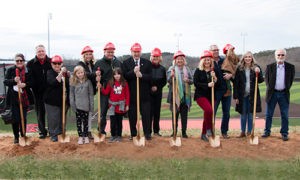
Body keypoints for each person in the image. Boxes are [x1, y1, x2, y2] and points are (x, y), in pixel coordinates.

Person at [262, 49, 295, 141]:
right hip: (272, 94)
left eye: (282, 55)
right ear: (275, 56)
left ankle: (284, 133)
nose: (280, 57)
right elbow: (267, 81)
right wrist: (271, 89)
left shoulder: (290, 67)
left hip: (284, 93)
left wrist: (285, 88)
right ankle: (267, 131)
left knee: (284, 114)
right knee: (269, 114)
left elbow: (290, 80)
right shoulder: (270, 67)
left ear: (285, 56)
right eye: (279, 55)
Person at [121, 43, 152, 140]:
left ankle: (147, 134)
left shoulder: (147, 63)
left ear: (140, 52)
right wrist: (133, 72)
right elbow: (124, 76)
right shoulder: (126, 63)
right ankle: (133, 134)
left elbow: (150, 77)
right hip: (132, 94)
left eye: (138, 52)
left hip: (145, 95)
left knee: (146, 115)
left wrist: (141, 75)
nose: (136, 54)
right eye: (134, 52)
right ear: (131, 52)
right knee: (132, 116)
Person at [4, 53, 34, 144]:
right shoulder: (10, 70)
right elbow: (5, 81)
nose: (19, 62)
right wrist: (14, 80)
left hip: (24, 98)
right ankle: (16, 137)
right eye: (17, 61)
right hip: (14, 98)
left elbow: (32, 82)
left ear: (24, 61)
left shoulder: (28, 70)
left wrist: (25, 84)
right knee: (15, 119)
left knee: (23, 118)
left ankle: (23, 135)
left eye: (21, 60)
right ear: (15, 62)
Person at [233, 51, 264, 137]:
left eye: (249, 57)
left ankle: (249, 131)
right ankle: (243, 132)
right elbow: (236, 83)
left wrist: (259, 72)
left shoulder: (256, 67)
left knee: (250, 114)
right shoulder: (239, 68)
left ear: (252, 58)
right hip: (242, 95)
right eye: (246, 57)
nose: (248, 58)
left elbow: (261, 80)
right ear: (243, 58)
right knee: (243, 114)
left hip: (252, 95)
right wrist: (235, 96)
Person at [94, 42, 122, 137]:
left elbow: (122, 75)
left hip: (116, 90)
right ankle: (101, 131)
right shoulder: (99, 63)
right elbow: (96, 77)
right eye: (108, 52)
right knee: (103, 111)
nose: (110, 53)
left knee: (116, 111)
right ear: (104, 51)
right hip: (105, 90)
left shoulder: (117, 62)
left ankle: (116, 132)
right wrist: (97, 80)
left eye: (112, 52)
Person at [193, 50, 220, 142]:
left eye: (208, 60)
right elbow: (196, 83)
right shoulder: (198, 71)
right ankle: (209, 129)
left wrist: (215, 78)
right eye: (205, 60)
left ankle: (203, 134)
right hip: (200, 95)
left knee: (207, 113)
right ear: (202, 61)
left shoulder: (213, 71)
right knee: (209, 110)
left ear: (211, 61)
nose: (207, 62)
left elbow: (217, 83)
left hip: (210, 96)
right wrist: (207, 85)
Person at [27, 44, 52, 139]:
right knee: (40, 113)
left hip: (49, 91)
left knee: (50, 112)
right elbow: (30, 78)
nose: (41, 53)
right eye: (39, 51)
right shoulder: (30, 63)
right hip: (37, 92)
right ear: (36, 53)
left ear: (45, 52)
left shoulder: (51, 61)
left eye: (42, 51)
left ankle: (52, 130)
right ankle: (42, 132)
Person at [167, 50, 193, 138]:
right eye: (178, 59)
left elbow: (192, 81)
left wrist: (188, 81)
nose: (180, 61)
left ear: (184, 60)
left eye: (181, 59)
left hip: (186, 96)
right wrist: (172, 76)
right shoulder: (172, 69)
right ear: (175, 60)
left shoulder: (187, 69)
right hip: (175, 95)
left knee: (184, 115)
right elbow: (168, 81)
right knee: (175, 115)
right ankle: (174, 131)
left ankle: (184, 132)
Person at [44, 55, 70, 142]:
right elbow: (53, 82)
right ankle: (53, 134)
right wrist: (60, 73)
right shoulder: (49, 72)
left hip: (62, 100)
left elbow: (68, 85)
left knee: (61, 117)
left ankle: (61, 132)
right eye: (55, 63)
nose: (57, 65)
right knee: (53, 118)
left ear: (61, 64)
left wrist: (68, 76)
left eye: (59, 63)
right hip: (51, 100)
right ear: (51, 64)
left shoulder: (65, 74)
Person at [209, 44, 233, 139]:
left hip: (226, 89)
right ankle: (211, 131)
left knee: (226, 112)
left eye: (217, 50)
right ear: (210, 51)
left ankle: (224, 132)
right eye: (214, 50)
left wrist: (230, 75)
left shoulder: (224, 60)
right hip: (215, 91)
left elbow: (233, 70)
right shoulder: (208, 61)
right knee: (212, 112)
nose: (216, 51)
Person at [101, 68, 130, 142]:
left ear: (121, 75)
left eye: (118, 74)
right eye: (115, 74)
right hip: (112, 106)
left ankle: (119, 136)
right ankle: (113, 135)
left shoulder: (124, 83)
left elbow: (127, 95)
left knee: (119, 122)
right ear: (113, 75)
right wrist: (100, 87)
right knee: (113, 122)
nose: (117, 76)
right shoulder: (110, 83)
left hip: (120, 106)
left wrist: (127, 105)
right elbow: (106, 92)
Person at [70, 65, 94, 145]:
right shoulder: (73, 83)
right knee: (79, 122)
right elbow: (71, 95)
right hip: (77, 106)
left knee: (86, 122)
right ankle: (80, 137)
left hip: (86, 106)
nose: (80, 74)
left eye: (81, 72)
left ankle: (86, 136)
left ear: (84, 73)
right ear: (75, 74)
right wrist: (72, 104)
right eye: (78, 73)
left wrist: (91, 105)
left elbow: (91, 94)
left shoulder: (88, 82)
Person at [77, 46, 97, 140]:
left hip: (91, 91)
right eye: (87, 54)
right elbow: (85, 74)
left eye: (90, 54)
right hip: (82, 92)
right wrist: (95, 75)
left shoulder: (92, 64)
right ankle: (82, 132)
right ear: (83, 55)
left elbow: (97, 74)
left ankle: (88, 130)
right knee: (82, 113)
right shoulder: (80, 64)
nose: (88, 56)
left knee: (89, 113)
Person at [149, 48, 167, 137]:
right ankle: (148, 131)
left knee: (157, 113)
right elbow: (145, 79)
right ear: (151, 57)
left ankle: (156, 131)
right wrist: (151, 87)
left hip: (158, 93)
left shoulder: (162, 69)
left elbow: (164, 81)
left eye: (157, 56)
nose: (155, 58)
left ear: (160, 58)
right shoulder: (147, 67)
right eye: (154, 56)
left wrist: (157, 87)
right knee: (148, 112)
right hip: (148, 93)